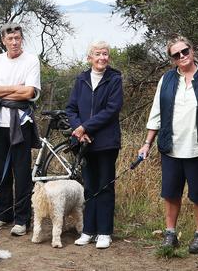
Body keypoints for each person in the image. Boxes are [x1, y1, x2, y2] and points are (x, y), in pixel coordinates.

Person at [138, 35, 198, 254]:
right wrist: (147, 143)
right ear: (172, 59)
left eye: (184, 51)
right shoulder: (166, 79)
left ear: (192, 50)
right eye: (176, 55)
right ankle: (170, 234)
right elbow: (155, 114)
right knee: (170, 193)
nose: (182, 56)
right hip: (171, 147)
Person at [0, 23, 41, 237]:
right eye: (10, 39)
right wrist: (15, 88)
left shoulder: (31, 60)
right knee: (1, 171)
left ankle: (21, 218)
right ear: (3, 41)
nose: (14, 42)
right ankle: (3, 213)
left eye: (18, 38)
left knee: (22, 173)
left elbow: (29, 92)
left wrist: (5, 91)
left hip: (21, 123)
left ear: (21, 39)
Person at [66, 41, 123, 249]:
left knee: (105, 187)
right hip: (84, 143)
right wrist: (79, 129)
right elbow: (71, 108)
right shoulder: (81, 79)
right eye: (97, 54)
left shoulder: (115, 79)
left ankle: (105, 232)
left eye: (105, 54)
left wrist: (86, 127)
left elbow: (111, 110)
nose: (102, 58)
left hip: (107, 143)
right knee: (89, 187)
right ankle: (88, 231)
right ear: (90, 57)